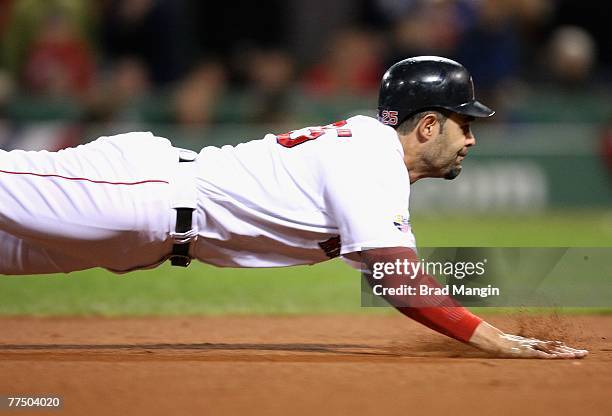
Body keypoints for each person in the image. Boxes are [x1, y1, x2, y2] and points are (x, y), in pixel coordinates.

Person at [0, 56, 587, 359]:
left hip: (143, 236)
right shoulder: (369, 156)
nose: (472, 138)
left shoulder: (376, 161)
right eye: (464, 122)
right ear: (428, 123)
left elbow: (395, 270)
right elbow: (396, 276)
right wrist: (491, 338)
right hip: (142, 192)